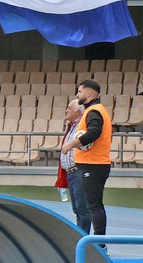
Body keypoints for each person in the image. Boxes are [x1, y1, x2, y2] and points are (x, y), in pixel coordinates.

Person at [60, 78, 111, 236]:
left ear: (88, 93)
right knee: (91, 206)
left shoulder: (93, 111)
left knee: (93, 207)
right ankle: (97, 242)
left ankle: (99, 244)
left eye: (80, 91)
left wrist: (72, 144)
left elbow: (94, 132)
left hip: (93, 164)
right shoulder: (95, 110)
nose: (78, 94)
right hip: (93, 164)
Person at [57, 99, 91, 231]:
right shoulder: (71, 127)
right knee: (77, 209)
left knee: (82, 209)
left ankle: (83, 240)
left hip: (79, 171)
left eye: (69, 108)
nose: (66, 110)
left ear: (77, 112)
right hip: (71, 172)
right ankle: (81, 238)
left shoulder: (81, 127)